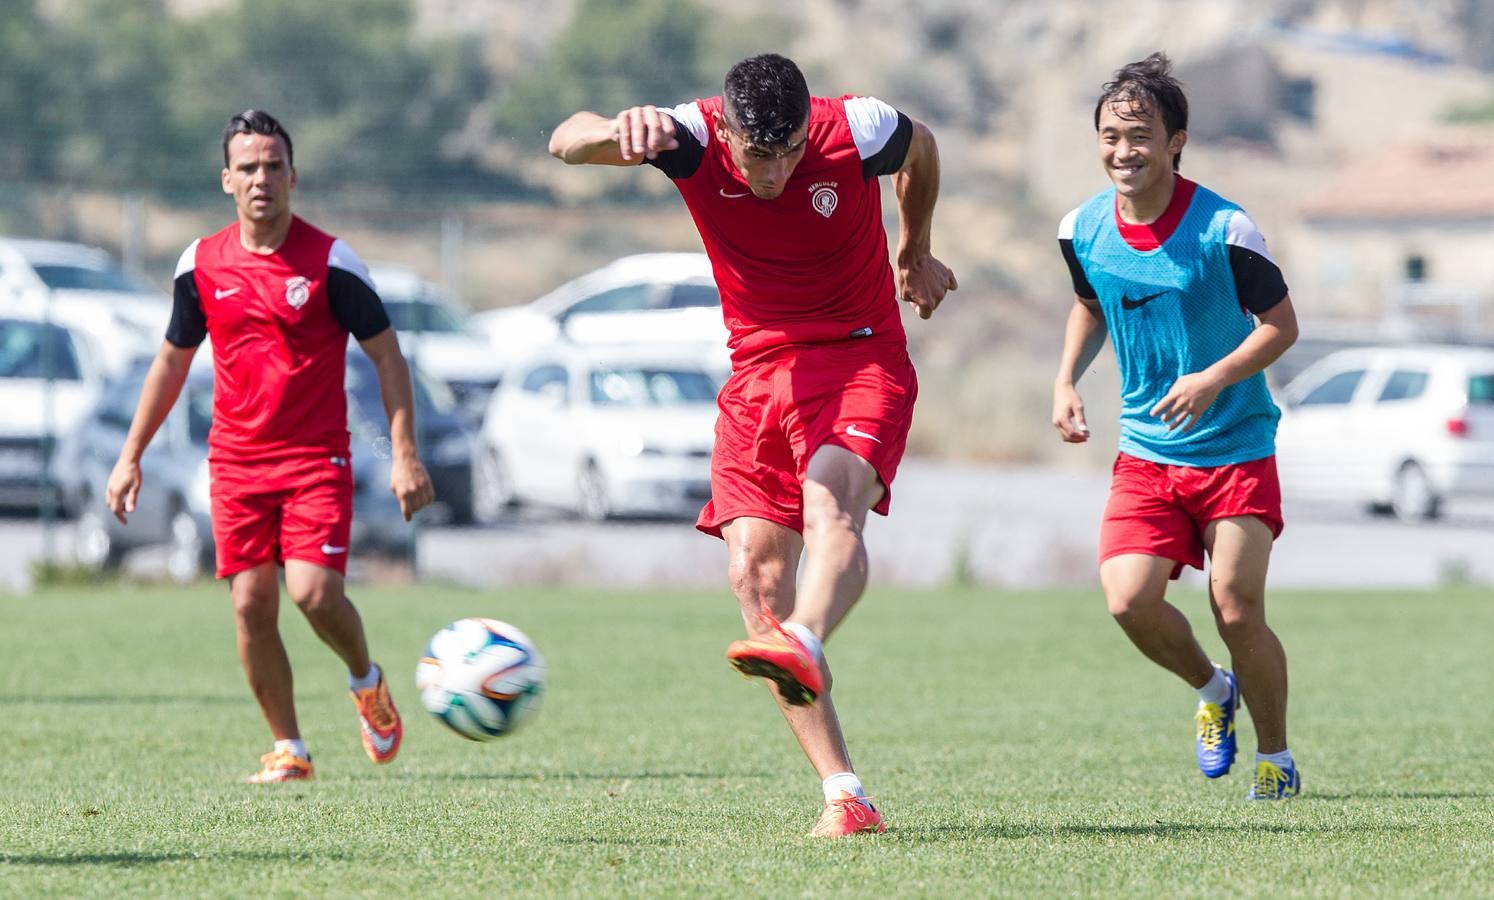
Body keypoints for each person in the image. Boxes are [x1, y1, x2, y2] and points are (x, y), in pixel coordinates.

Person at [549, 53, 956, 836]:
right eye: (758, 153)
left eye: (792, 150)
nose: (776, 171)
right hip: (758, 374)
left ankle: (805, 637)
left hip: (860, 354)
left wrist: (915, 248)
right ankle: (846, 796)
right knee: (754, 577)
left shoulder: (858, 126)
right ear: (727, 131)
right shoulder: (689, 136)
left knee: (832, 503)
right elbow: (566, 143)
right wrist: (612, 127)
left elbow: (924, 148)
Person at [106, 110, 435, 783]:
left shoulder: (331, 262)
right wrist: (131, 453)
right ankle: (290, 748)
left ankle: (365, 680)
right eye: (249, 167)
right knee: (251, 605)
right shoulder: (201, 263)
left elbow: (389, 357)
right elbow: (170, 362)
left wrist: (404, 454)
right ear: (227, 179)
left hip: (317, 460)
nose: (262, 178)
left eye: (274, 166)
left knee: (314, 595)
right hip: (235, 462)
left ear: (293, 176)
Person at [1052, 53, 1302, 800]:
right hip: (1148, 451)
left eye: (1139, 135)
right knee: (1128, 600)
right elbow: (1092, 303)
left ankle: (1277, 758)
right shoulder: (1082, 229)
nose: (1122, 151)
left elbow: (1282, 326)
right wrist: (1065, 379)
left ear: (1175, 141)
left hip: (1235, 447)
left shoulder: (1225, 228)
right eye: (1109, 135)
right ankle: (1212, 688)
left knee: (1235, 604)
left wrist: (1212, 378)